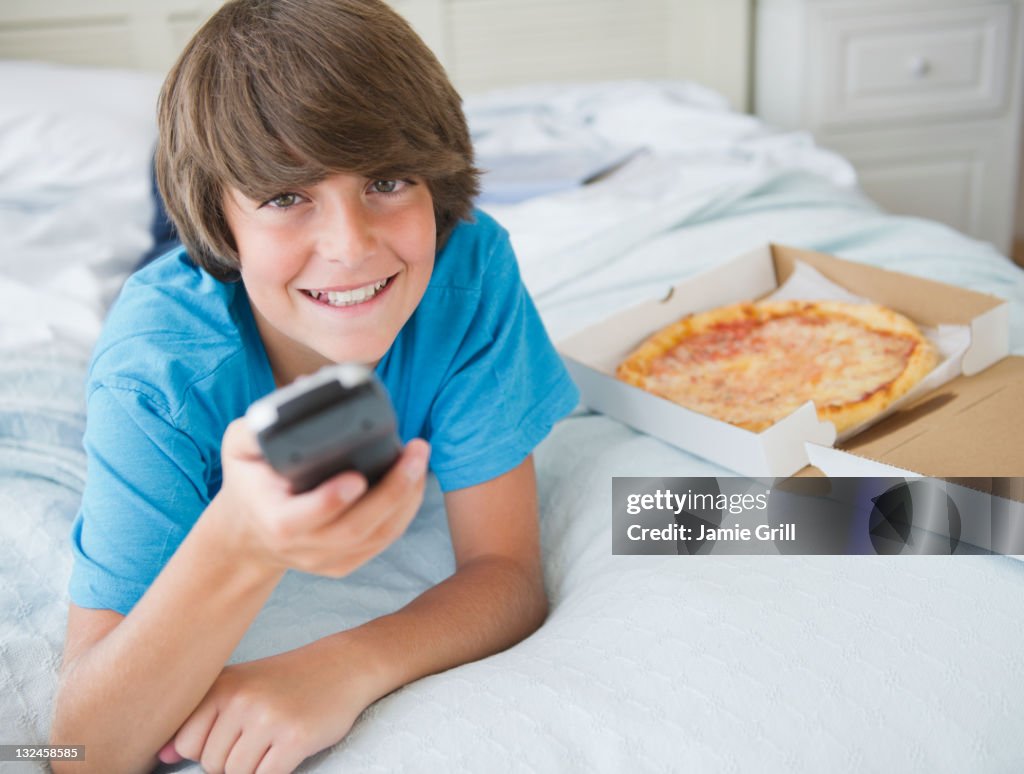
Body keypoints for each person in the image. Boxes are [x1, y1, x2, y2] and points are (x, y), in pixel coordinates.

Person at [48, 1, 579, 772]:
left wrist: (344, 663)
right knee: (172, 239)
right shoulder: (157, 374)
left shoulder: (470, 270)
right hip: (201, 279)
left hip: (254, 262)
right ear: (227, 224)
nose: (350, 246)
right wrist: (241, 541)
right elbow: (75, 749)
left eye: (389, 181)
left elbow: (507, 573)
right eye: (288, 196)